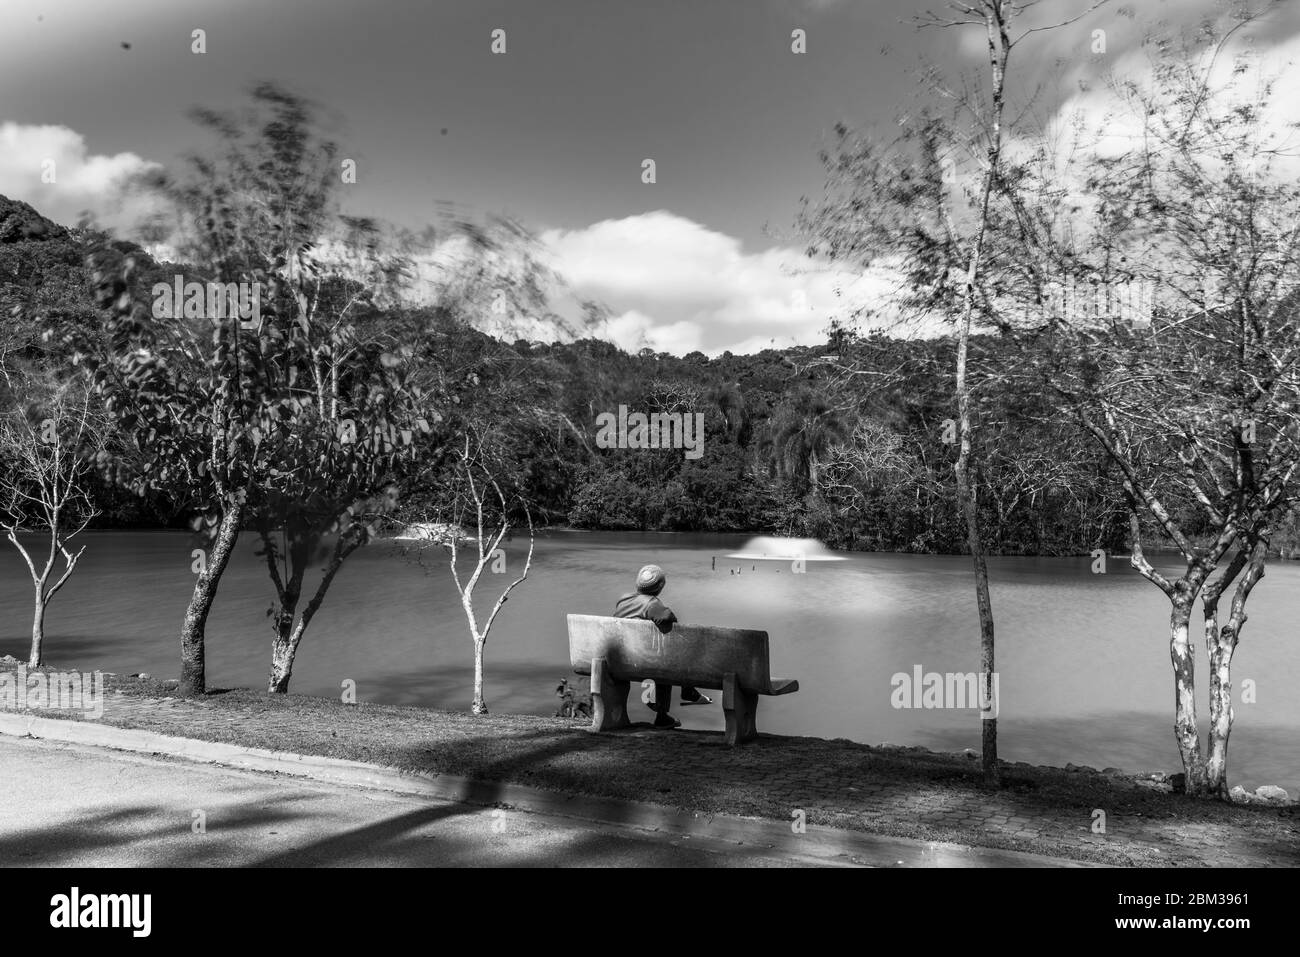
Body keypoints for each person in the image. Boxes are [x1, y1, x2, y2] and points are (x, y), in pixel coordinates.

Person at [613, 564, 711, 729]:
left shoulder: (623, 600)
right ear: (660, 587)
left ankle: (656, 699)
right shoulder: (651, 603)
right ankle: (666, 712)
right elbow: (668, 617)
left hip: (621, 660)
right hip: (643, 663)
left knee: (657, 657)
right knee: (666, 660)